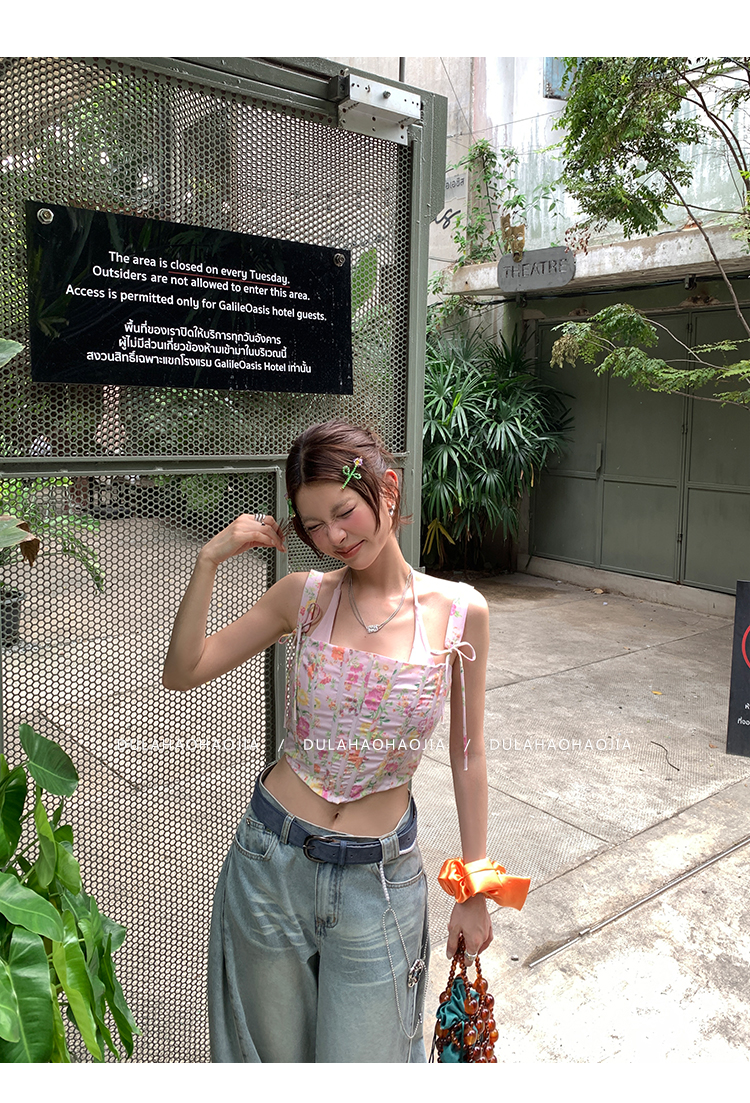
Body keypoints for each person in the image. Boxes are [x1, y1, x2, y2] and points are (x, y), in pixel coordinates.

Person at [163, 420, 518, 1063]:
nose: (333, 537)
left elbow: (468, 753)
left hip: (376, 884)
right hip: (270, 864)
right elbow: (184, 672)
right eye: (314, 525)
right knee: (267, 1066)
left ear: (388, 488)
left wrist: (475, 891)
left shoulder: (460, 612)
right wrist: (208, 560)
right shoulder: (302, 598)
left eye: (344, 512)